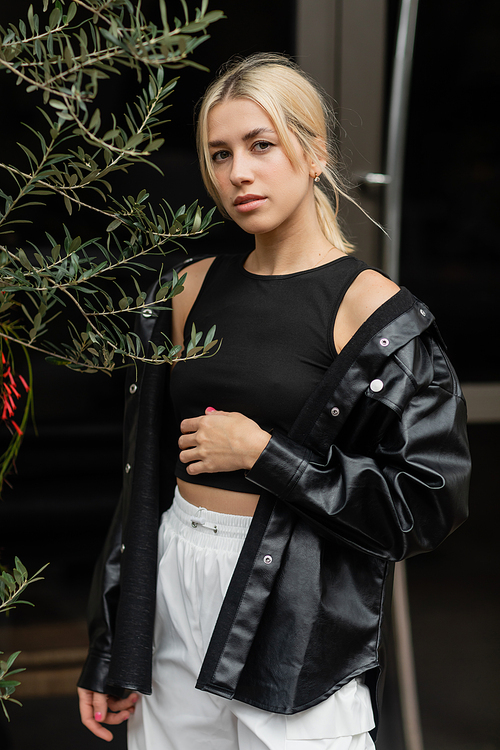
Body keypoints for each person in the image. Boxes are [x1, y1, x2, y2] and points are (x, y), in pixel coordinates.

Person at [77, 53, 470, 749]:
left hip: (297, 606)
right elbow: (138, 485)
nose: (239, 173)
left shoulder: (374, 311)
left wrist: (265, 455)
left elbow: (428, 503)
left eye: (262, 145)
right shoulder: (186, 289)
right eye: (220, 153)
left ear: (313, 154)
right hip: (174, 574)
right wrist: (115, 640)